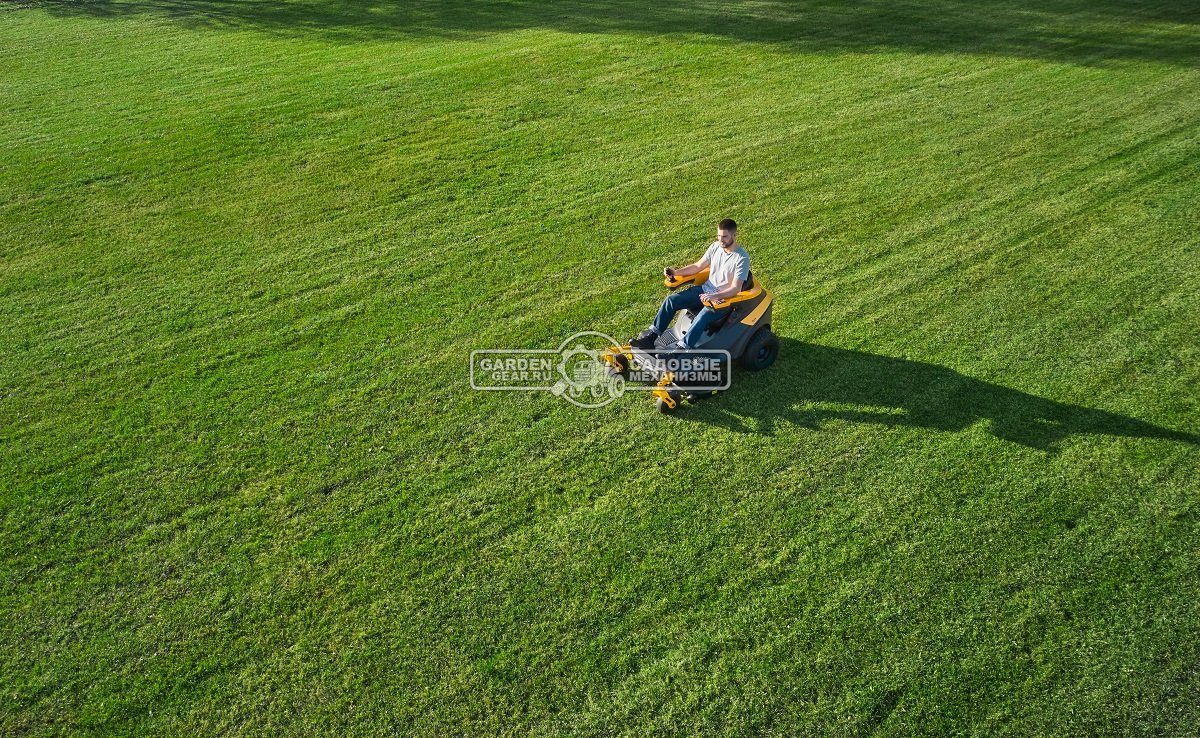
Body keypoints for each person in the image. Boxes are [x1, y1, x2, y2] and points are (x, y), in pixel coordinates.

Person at [630, 218, 750, 350]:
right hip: (704, 291)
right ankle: (650, 338)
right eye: (719, 236)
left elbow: (735, 289)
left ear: (734, 235)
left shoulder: (741, 258)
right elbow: (698, 266)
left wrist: (714, 296)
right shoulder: (715, 247)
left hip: (723, 300)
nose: (721, 240)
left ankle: (680, 351)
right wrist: (676, 272)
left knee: (703, 315)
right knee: (672, 300)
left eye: (725, 237)